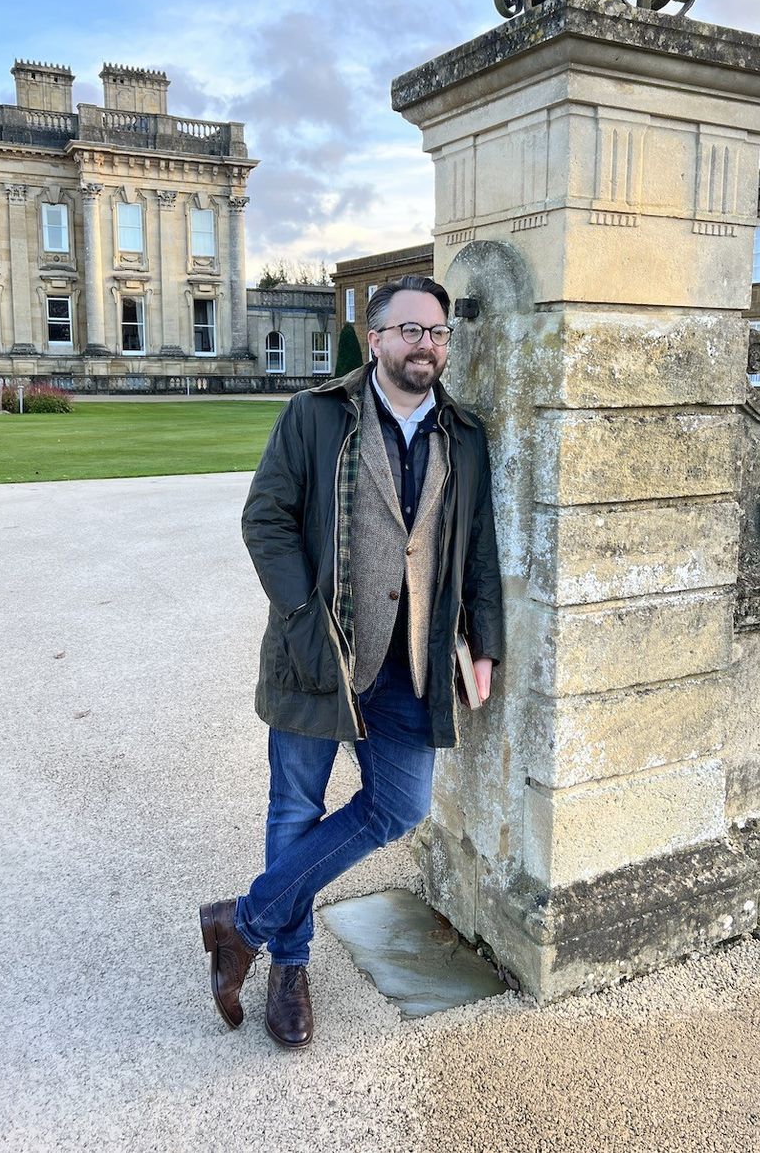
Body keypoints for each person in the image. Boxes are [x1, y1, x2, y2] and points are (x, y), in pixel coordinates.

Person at [199, 274, 503, 1048]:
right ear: (374, 340)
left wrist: (488, 642)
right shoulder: (315, 416)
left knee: (399, 808)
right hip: (315, 656)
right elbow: (264, 518)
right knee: (296, 810)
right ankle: (290, 967)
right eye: (409, 330)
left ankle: (247, 920)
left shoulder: (463, 434)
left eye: (436, 332)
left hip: (413, 663)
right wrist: (303, 618)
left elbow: (479, 553)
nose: (425, 344)